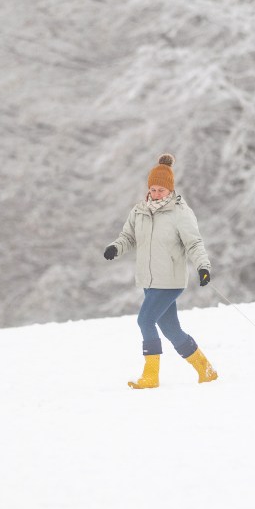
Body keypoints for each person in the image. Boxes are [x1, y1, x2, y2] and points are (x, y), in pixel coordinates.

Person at [103, 153, 217, 389]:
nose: (156, 194)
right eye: (153, 189)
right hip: (149, 279)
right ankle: (205, 369)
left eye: (161, 190)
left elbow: (194, 243)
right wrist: (116, 247)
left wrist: (203, 266)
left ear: (170, 190)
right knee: (171, 329)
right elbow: (128, 237)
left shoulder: (180, 213)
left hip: (170, 280)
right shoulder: (139, 211)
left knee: (145, 320)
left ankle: (151, 375)